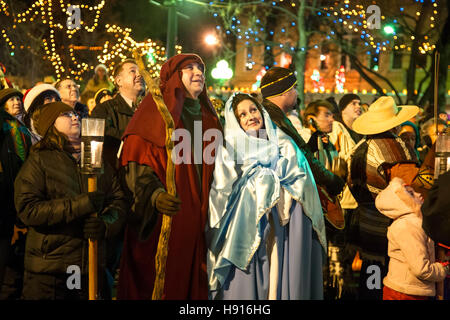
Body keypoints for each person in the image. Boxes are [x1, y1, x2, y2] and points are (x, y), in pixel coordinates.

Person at [117, 53, 222, 300]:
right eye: (189, 68)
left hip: (203, 223)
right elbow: (136, 160)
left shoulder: (211, 119)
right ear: (175, 77)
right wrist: (154, 195)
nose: (198, 73)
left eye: (200, 68)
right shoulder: (155, 113)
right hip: (166, 221)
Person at [207, 93, 326, 300]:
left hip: (283, 229)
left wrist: (278, 190)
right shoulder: (229, 149)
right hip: (245, 232)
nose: (250, 116)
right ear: (236, 121)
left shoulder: (283, 143)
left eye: (253, 110)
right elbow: (223, 191)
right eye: (242, 114)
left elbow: (302, 183)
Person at [13, 101, 127, 300]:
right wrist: (82, 205)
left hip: (90, 268)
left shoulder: (94, 157)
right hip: (52, 272)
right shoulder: (40, 160)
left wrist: (105, 225)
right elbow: (28, 209)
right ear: (51, 125)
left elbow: (118, 200)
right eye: (66, 115)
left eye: (75, 113)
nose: (75, 117)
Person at [348, 96, 420, 299]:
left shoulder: (359, 147)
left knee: (370, 278)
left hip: (364, 221)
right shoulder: (399, 147)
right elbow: (409, 187)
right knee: (389, 279)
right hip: (390, 225)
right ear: (394, 124)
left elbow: (351, 183)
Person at [259, 67, 345, 199]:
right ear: (283, 91)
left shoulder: (269, 116)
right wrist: (332, 180)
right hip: (281, 199)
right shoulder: (275, 120)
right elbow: (300, 161)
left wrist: (310, 147)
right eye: (294, 88)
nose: (297, 93)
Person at [375, 177, 449, 300]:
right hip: (404, 294)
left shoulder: (415, 222)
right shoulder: (409, 226)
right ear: (400, 203)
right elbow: (421, 269)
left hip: (410, 291)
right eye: (411, 193)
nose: (419, 194)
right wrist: (443, 270)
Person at [0, 89, 32, 299]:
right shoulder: (4, 127)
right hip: (5, 197)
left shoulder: (24, 129)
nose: (16, 102)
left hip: (20, 194)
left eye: (18, 98)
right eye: (11, 99)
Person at [90, 58, 145, 171]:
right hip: (118, 177)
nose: (139, 75)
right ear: (119, 81)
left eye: (141, 72)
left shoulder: (151, 111)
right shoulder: (103, 110)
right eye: (133, 71)